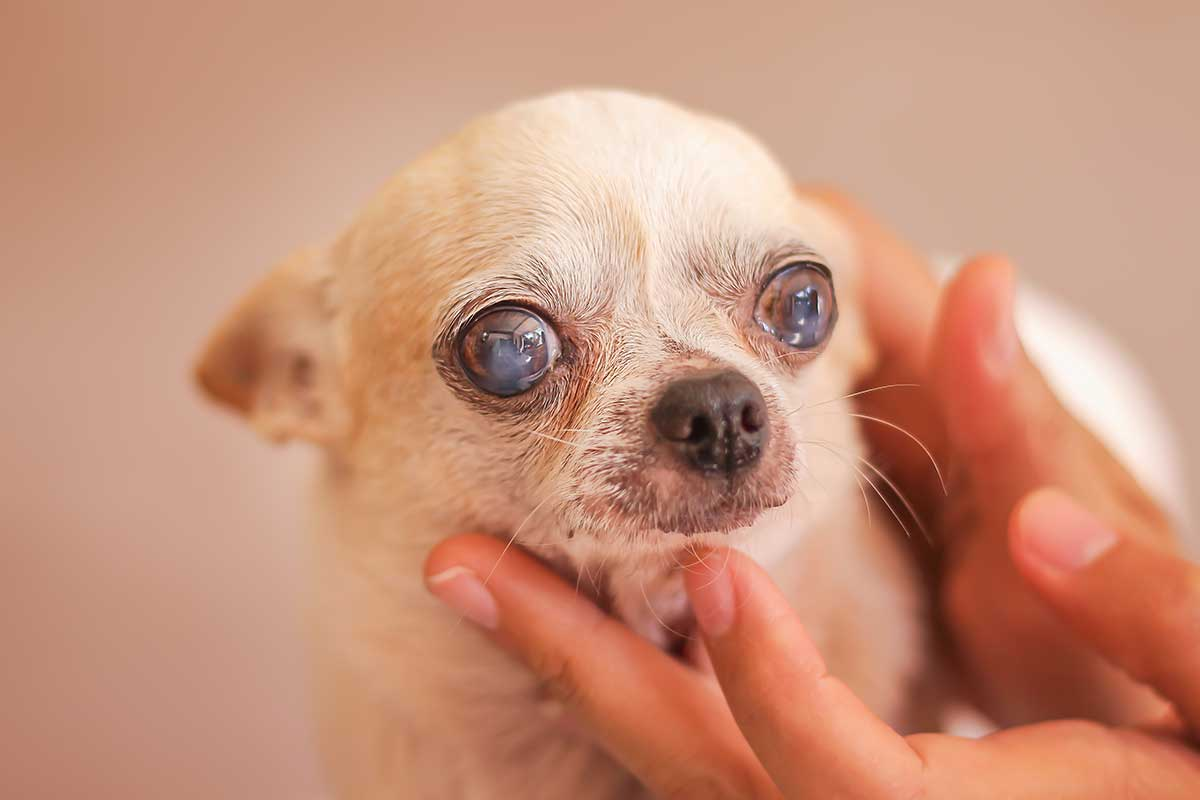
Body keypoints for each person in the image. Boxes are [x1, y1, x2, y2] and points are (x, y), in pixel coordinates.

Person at [422, 191, 1200, 798]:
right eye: (513, 350)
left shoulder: (1083, 376)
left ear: (853, 338)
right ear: (305, 378)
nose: (719, 409)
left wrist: (1116, 707)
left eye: (791, 307)